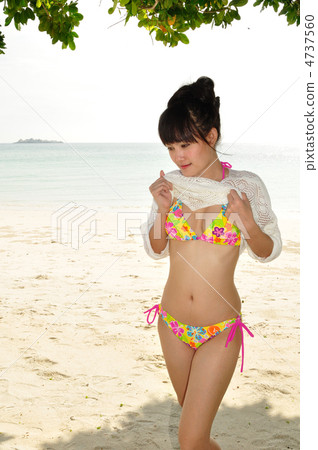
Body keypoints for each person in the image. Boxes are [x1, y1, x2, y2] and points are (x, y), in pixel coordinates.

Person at [140, 76, 282, 450]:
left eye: (185, 144)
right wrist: (161, 211)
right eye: (170, 146)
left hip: (219, 330)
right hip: (172, 326)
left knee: (190, 439)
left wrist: (248, 221)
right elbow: (155, 249)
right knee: (196, 436)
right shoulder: (170, 185)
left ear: (212, 136)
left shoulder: (245, 187)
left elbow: (268, 251)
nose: (177, 156)